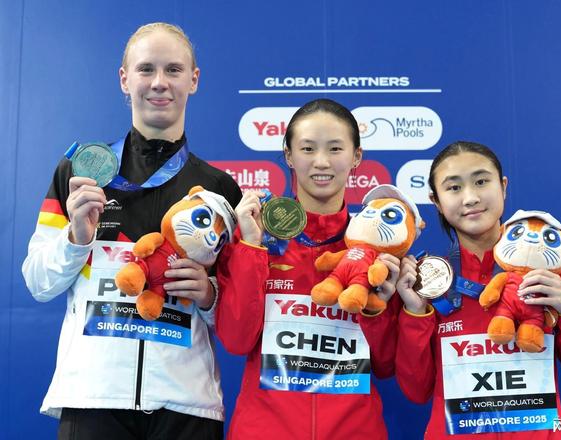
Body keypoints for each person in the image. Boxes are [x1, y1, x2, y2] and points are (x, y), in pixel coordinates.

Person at [22, 22, 241, 439]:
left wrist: (210, 295)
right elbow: (38, 282)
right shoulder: (80, 173)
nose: (159, 82)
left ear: (194, 80)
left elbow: (236, 320)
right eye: (146, 69)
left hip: (186, 407)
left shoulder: (219, 190)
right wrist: (76, 240)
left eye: (173, 70)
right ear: (124, 79)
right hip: (93, 400)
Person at [390, 141, 561, 439]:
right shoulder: (427, 279)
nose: (471, 197)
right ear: (436, 201)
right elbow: (416, 390)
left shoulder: (549, 264)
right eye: (454, 188)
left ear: (502, 186)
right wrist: (415, 313)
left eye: (481, 181)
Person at [215, 98, 400, 439]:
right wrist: (251, 247)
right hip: (264, 430)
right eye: (308, 148)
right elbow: (236, 341)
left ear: (356, 156)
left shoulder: (378, 247)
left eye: (335, 148)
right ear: (288, 155)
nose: (321, 161)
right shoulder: (256, 238)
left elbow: (386, 365)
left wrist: (377, 311)